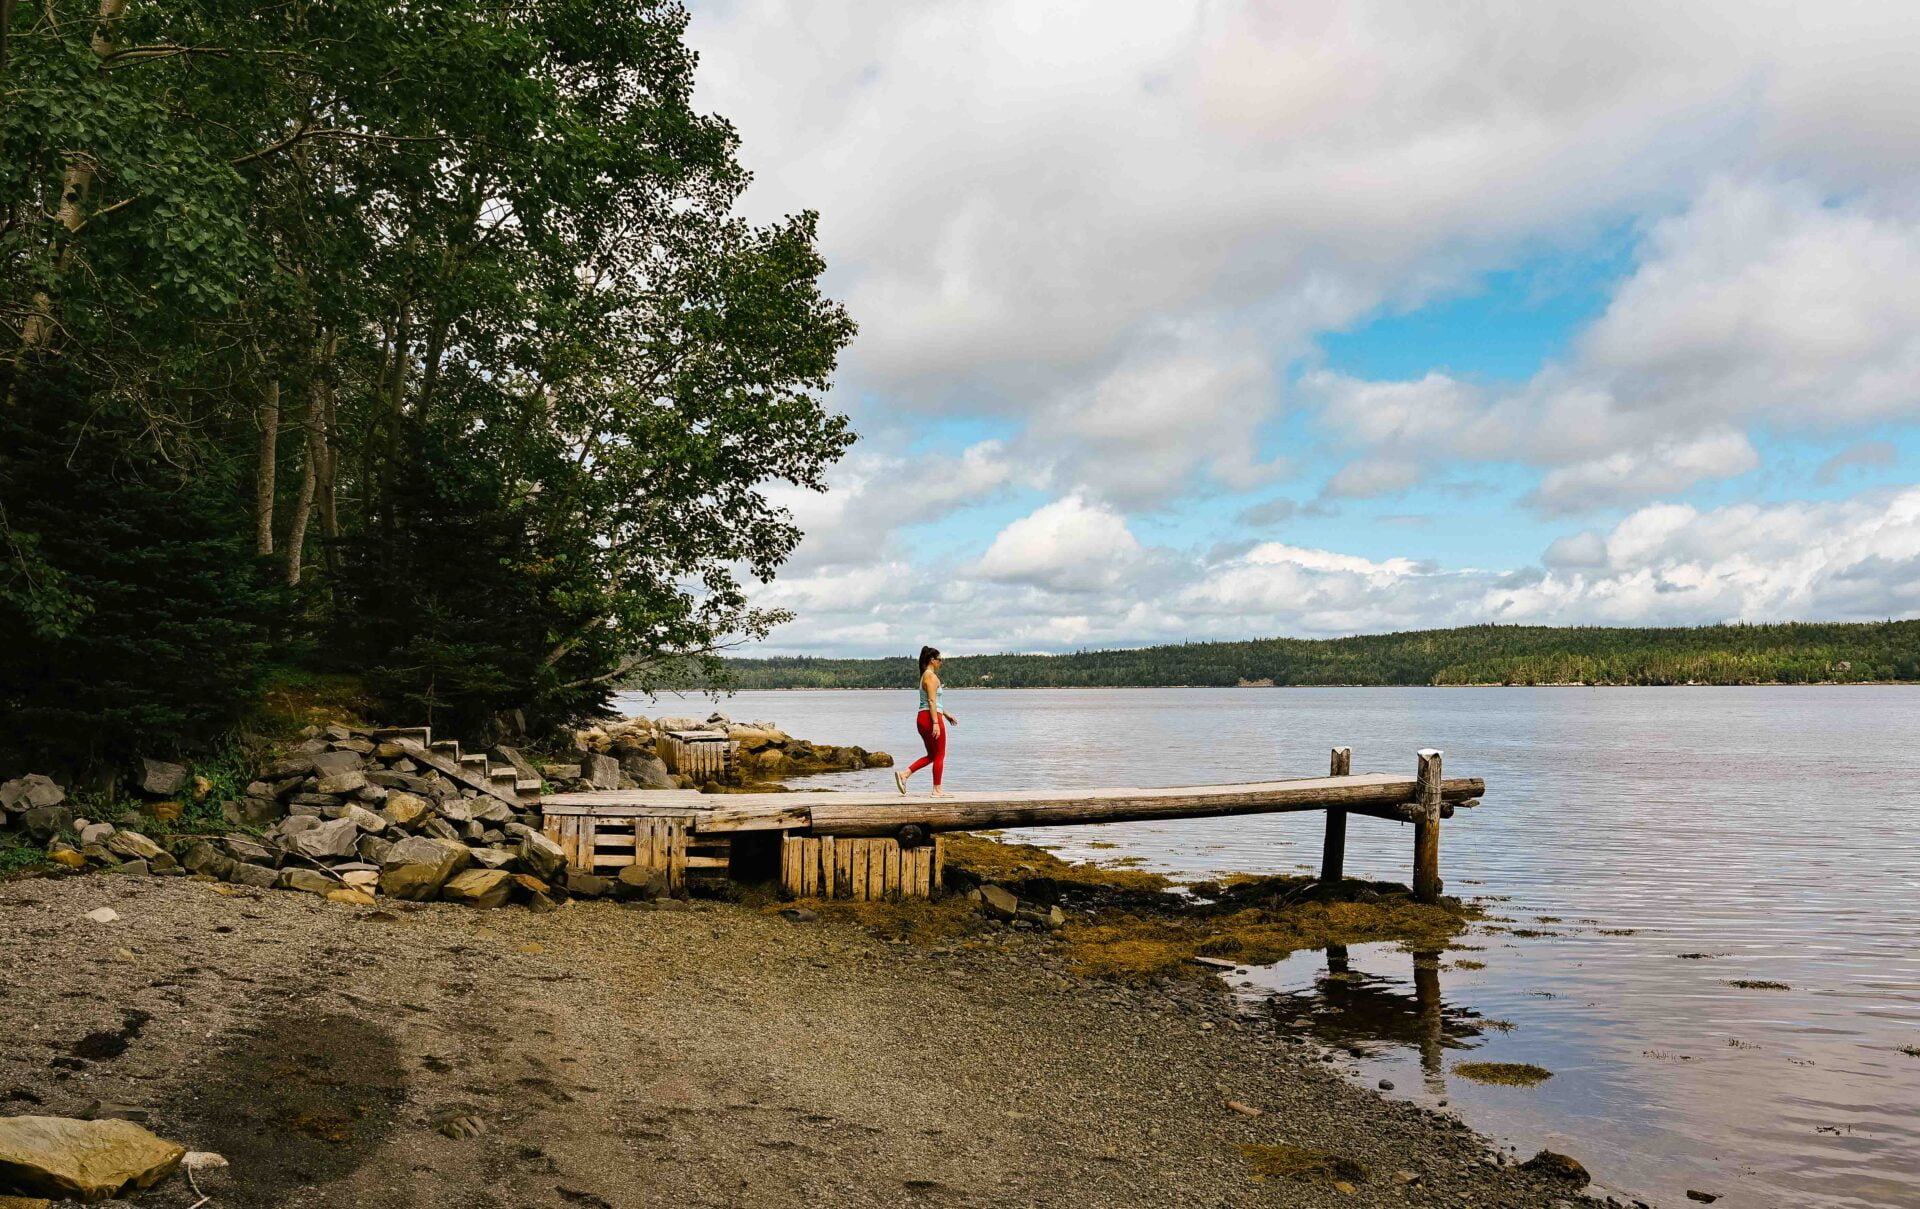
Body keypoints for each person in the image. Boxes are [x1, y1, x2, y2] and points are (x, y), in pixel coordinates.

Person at [896, 645, 957, 796]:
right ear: (932, 660)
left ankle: (904, 774)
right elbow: (931, 701)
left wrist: (946, 714)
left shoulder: (925, 675)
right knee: (940, 755)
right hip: (930, 718)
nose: (941, 663)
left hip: (924, 718)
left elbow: (934, 702)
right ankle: (937, 789)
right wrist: (936, 723)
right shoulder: (930, 676)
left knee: (932, 755)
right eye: (939, 660)